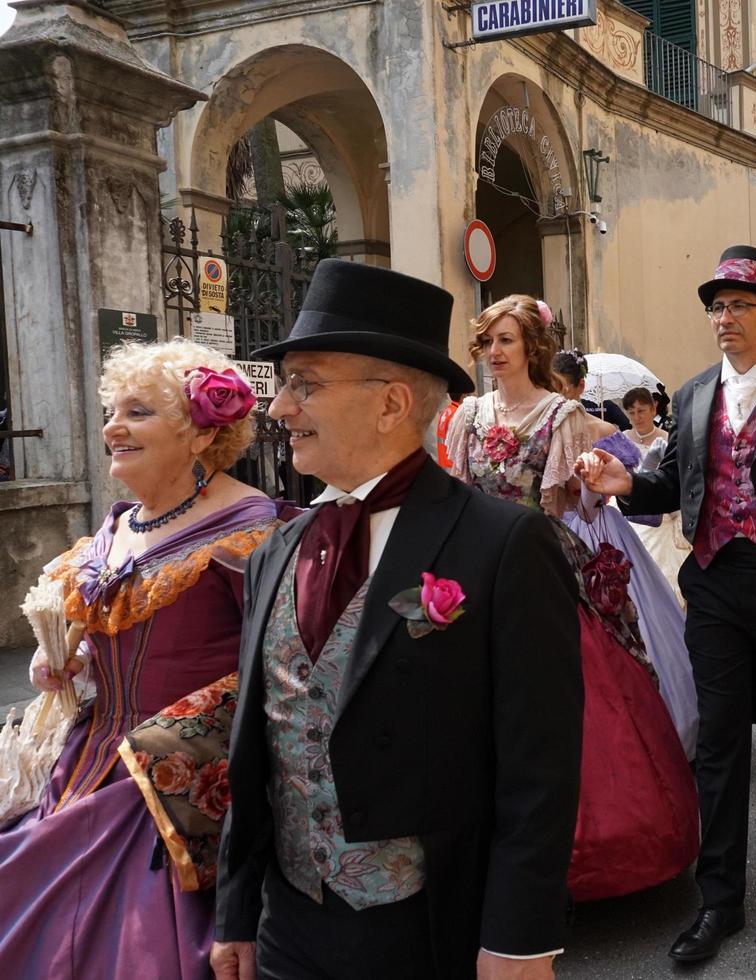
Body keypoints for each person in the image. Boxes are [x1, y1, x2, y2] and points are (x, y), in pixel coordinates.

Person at [212, 261, 585, 980]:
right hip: (288, 919)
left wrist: (519, 938)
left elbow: (540, 766)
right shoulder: (274, 551)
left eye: (305, 383)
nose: (280, 408)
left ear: (390, 403)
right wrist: (236, 911)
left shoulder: (501, 545)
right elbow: (260, 744)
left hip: (424, 926)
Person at [576, 245, 756, 964]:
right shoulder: (696, 395)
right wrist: (623, 483)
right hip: (714, 585)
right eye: (716, 307)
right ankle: (721, 900)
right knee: (722, 734)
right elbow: (675, 486)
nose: (723, 318)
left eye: (737, 305)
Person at [0, 341, 274, 980]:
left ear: (200, 437)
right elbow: (107, 641)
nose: (112, 428)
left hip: (174, 796)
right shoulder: (122, 524)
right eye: (112, 410)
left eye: (139, 412)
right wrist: (66, 665)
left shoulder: (253, 531)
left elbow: (276, 675)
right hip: (82, 766)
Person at [444, 296, 698, 903]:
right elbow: (454, 493)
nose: (495, 353)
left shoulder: (561, 415)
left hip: (542, 563)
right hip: (477, 566)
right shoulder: (468, 415)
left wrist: (590, 479)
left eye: (506, 341)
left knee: (571, 703)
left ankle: (583, 852)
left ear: (529, 347)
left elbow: (576, 506)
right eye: (487, 342)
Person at [558, 379, 698, 759]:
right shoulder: (546, 427)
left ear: (578, 385)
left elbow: (611, 492)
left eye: (564, 385)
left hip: (603, 528)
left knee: (632, 615)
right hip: (559, 531)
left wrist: (590, 487)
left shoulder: (605, 430)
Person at [621, 386, 692, 606]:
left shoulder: (669, 439)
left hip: (665, 513)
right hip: (636, 515)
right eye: (631, 412)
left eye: (641, 411)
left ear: (654, 409)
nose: (636, 417)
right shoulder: (622, 439)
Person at [552, 348, 634, 430]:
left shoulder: (604, 428)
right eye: (551, 391)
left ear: (581, 385)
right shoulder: (543, 427)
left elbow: (626, 425)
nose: (556, 398)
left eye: (563, 391)